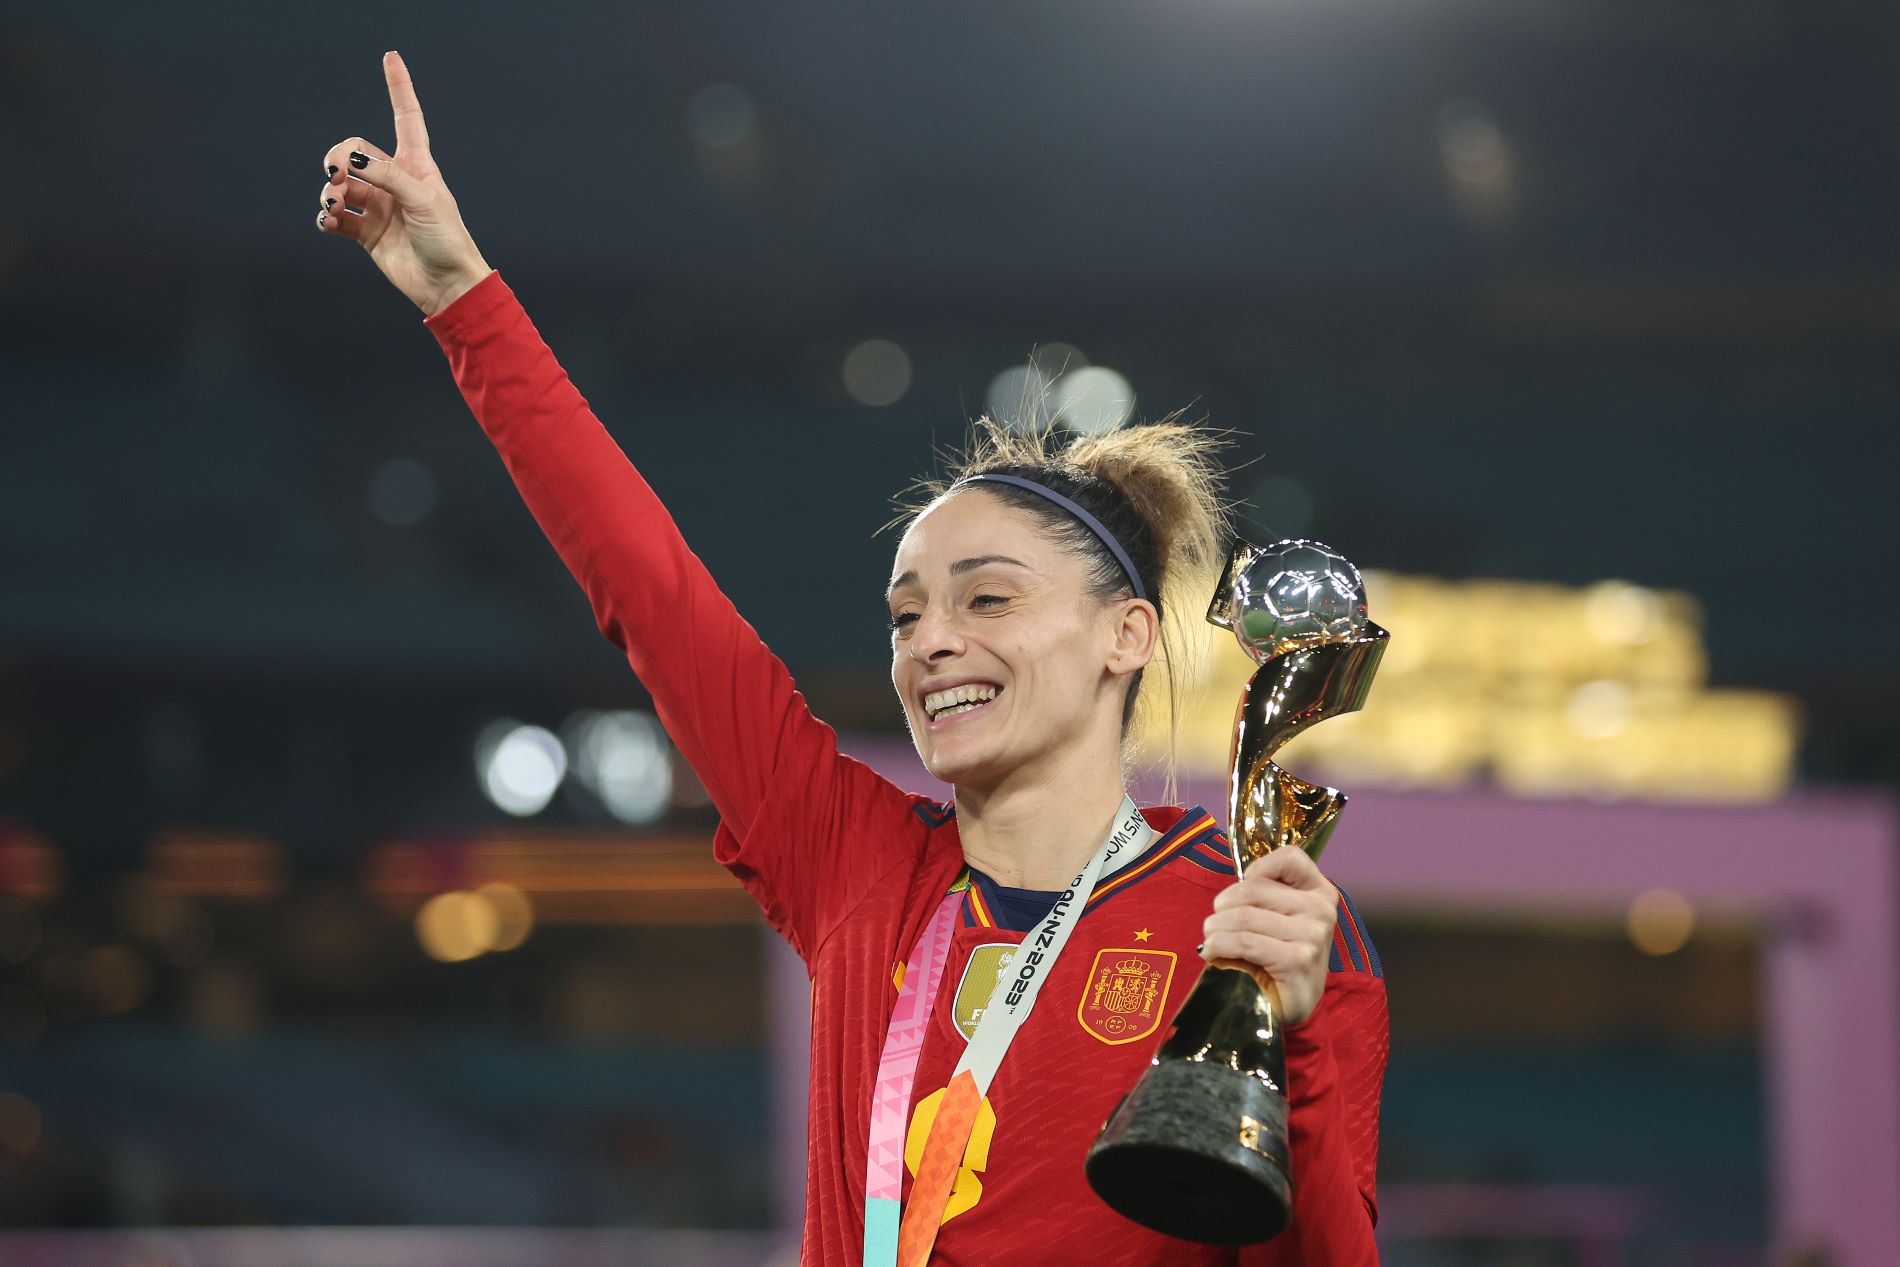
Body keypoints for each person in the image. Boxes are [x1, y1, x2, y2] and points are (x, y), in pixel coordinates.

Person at [317, 51, 1388, 1267]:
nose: (933, 639)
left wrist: (1296, 1038)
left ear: (1124, 635)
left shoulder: (1252, 919)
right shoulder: (854, 867)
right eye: (904, 613)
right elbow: (652, 593)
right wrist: (465, 300)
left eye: (987, 598)